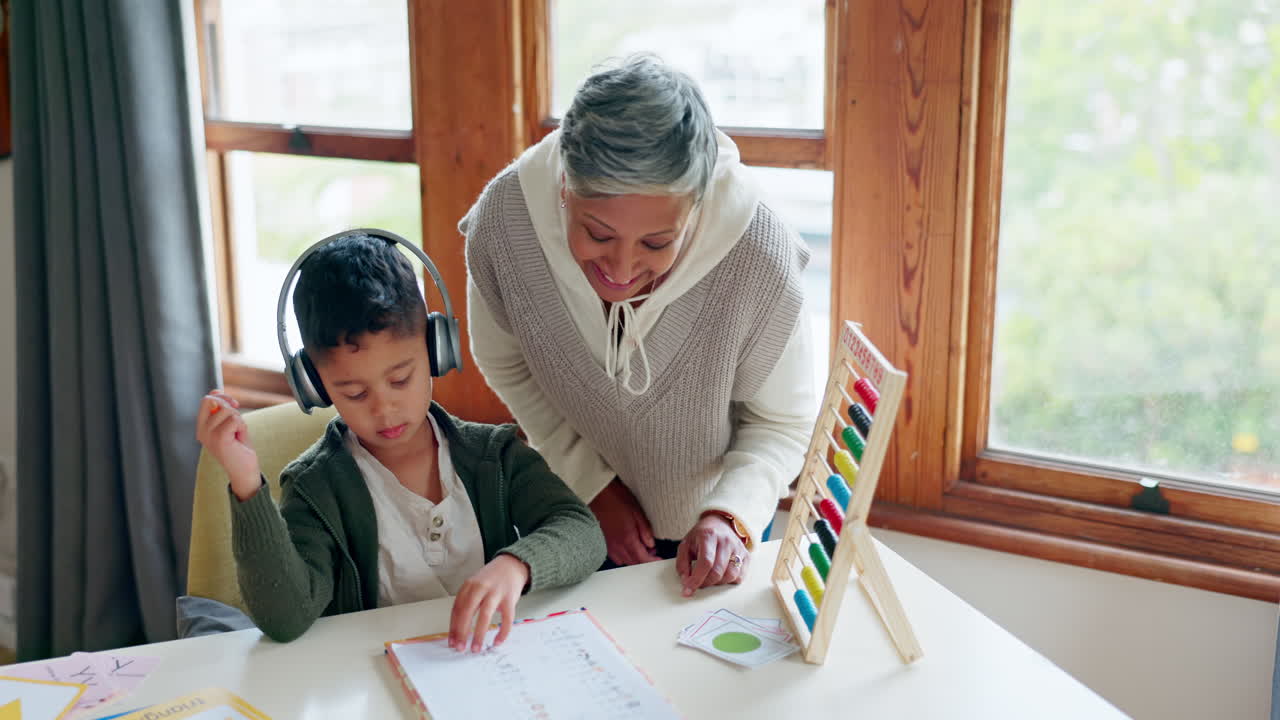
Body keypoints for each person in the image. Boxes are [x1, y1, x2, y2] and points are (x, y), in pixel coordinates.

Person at [463, 55, 816, 597]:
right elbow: (506, 361)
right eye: (597, 233)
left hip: (721, 529)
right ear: (564, 186)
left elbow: (782, 423)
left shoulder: (758, 257)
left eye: (656, 243)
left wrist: (730, 516)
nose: (621, 270)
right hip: (580, 512)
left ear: (695, 209)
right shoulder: (506, 224)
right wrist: (592, 485)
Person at [194, 230, 605, 650]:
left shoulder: (493, 455)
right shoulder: (317, 489)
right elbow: (286, 619)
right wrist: (247, 484)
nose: (384, 409)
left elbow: (581, 531)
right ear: (315, 386)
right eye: (354, 393)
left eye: (401, 378)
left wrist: (516, 564)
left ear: (436, 348)